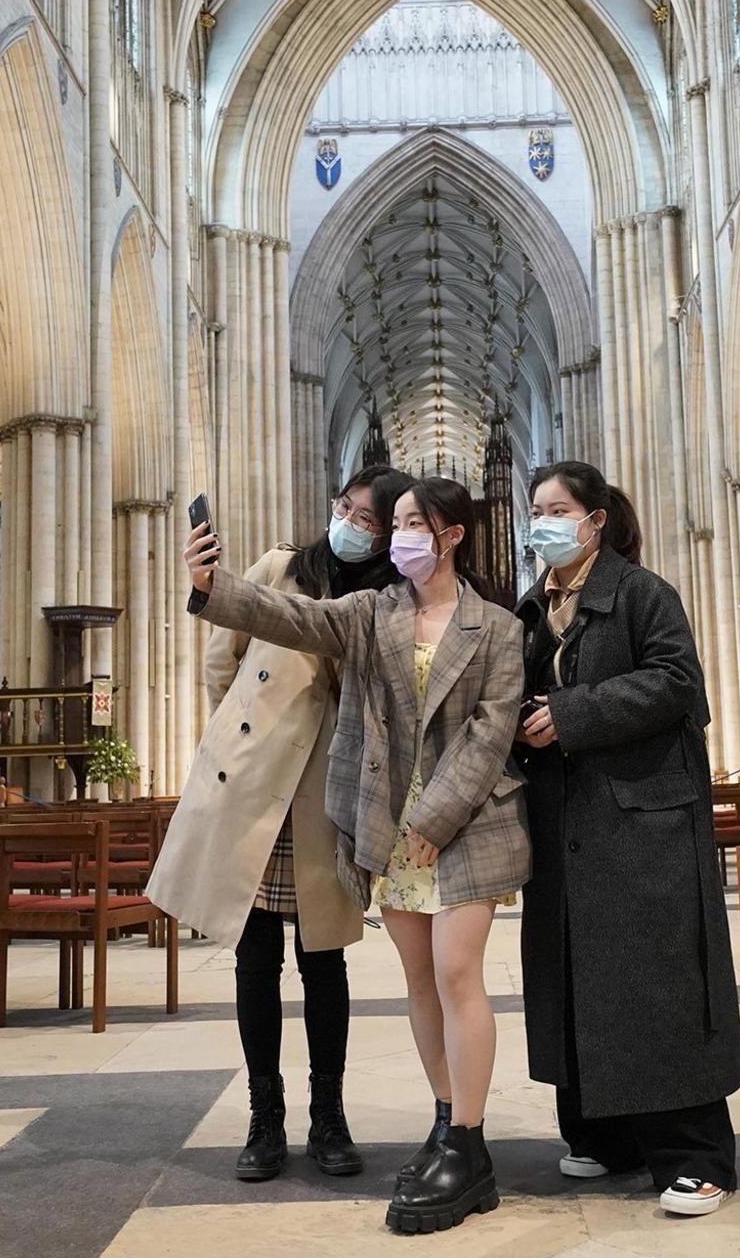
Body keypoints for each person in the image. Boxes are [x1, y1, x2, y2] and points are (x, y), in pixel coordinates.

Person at [185, 477, 529, 1235]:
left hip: (463, 824)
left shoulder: (498, 626)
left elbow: (491, 733)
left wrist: (436, 817)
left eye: (413, 522)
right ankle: (446, 1126)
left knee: (459, 976)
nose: (399, 533)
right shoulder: (375, 613)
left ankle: (468, 1142)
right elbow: (291, 615)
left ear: (452, 535)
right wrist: (214, 588)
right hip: (392, 830)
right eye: (394, 521)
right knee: (419, 983)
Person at [149, 465, 413, 1184]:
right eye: (347, 508)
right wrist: (234, 736)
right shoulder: (278, 566)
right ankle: (265, 1117)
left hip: (323, 790)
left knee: (323, 960)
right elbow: (220, 658)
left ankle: (329, 1114)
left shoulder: (390, 599)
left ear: (391, 533)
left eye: (370, 518)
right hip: (255, 783)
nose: (353, 523)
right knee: (254, 959)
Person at [513, 461, 740, 1217]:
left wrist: (574, 713)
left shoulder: (644, 593)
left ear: (596, 519)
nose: (543, 520)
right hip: (565, 826)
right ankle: (606, 1138)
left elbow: (679, 682)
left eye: (557, 509)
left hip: (644, 819)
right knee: (579, 978)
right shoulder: (530, 609)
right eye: (535, 509)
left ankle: (696, 1157)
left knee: (660, 981)